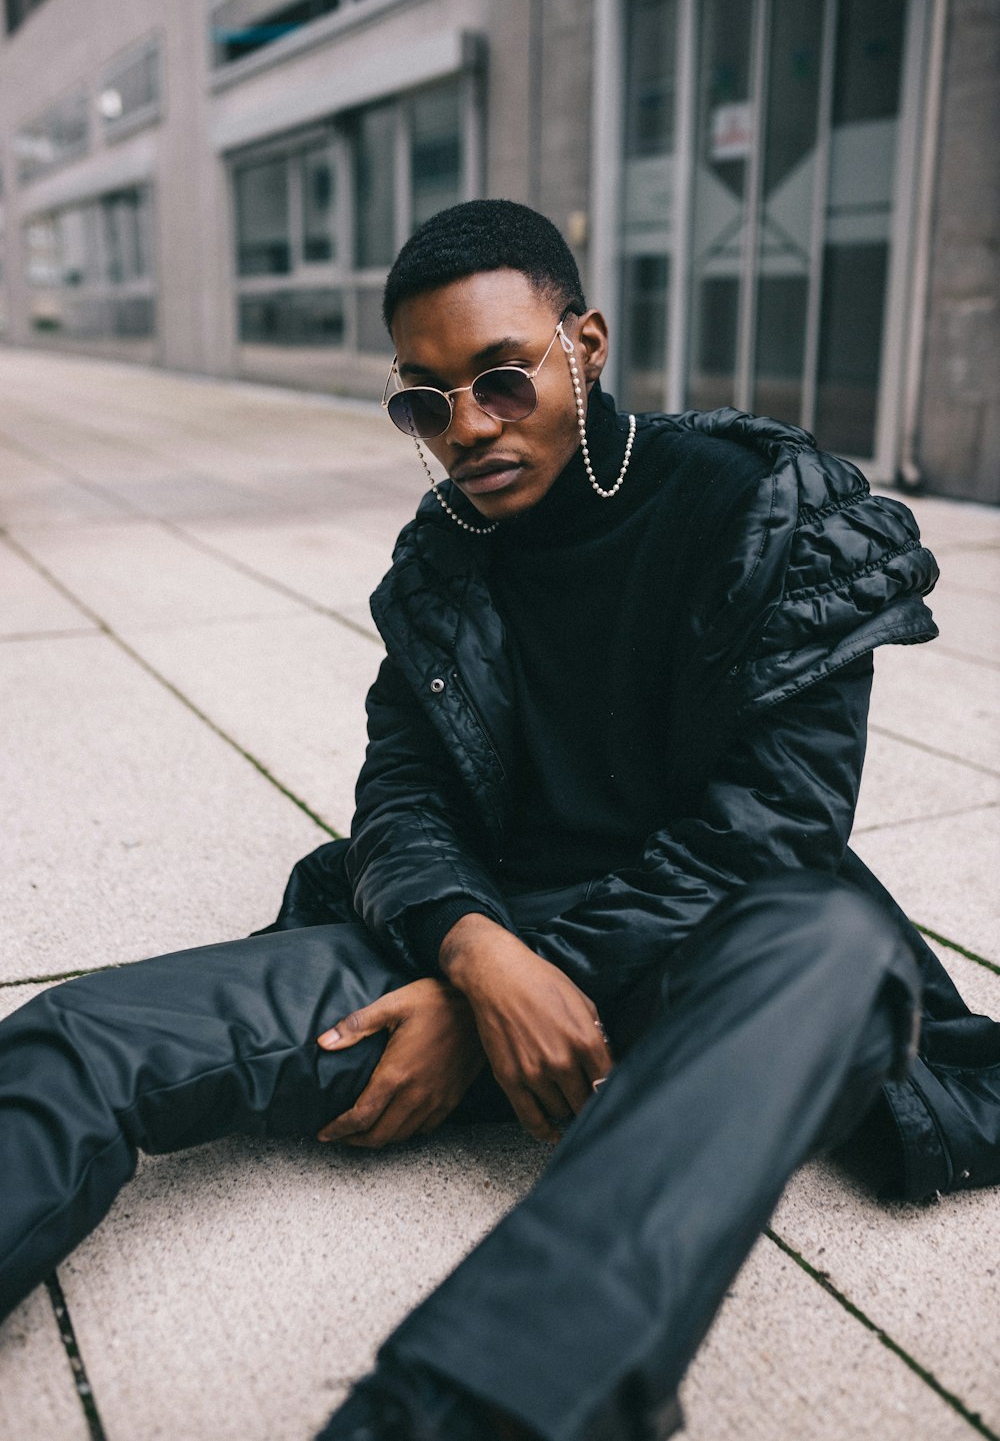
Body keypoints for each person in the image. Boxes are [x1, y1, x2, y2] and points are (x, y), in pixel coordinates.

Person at [2, 200, 998, 1441]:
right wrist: (477, 962)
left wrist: (536, 990)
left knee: (835, 945)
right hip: (479, 936)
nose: (465, 428)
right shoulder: (446, 554)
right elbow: (400, 797)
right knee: (73, 1041)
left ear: (582, 341)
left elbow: (777, 821)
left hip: (697, 956)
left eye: (500, 380)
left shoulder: (766, 510)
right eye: (423, 402)